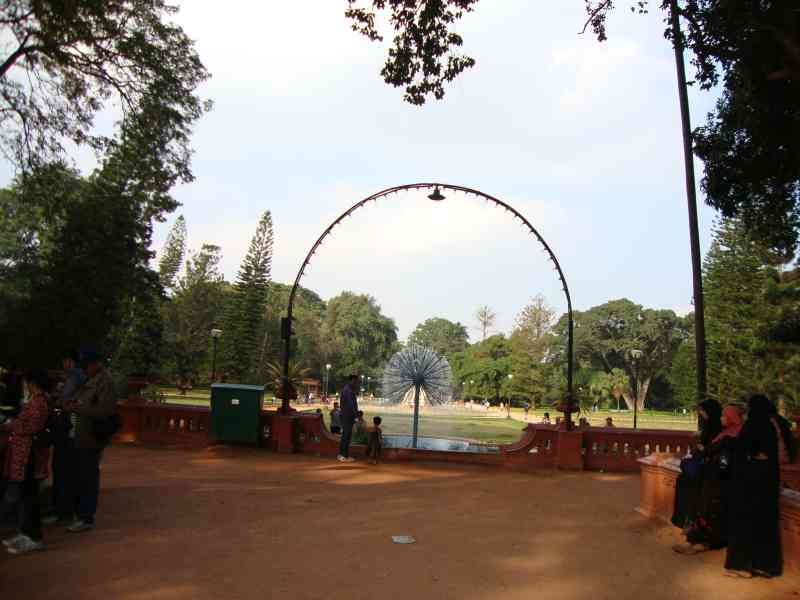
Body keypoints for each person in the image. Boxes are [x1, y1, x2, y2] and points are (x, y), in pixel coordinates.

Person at [725, 395, 796, 578]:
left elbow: (746, 449)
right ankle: (766, 566)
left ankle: (743, 566)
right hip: (769, 481)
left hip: (751, 482)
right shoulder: (772, 424)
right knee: (767, 525)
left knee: (746, 523)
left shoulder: (754, 424)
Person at [674, 404, 743, 555]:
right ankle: (697, 541)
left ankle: (700, 542)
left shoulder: (734, 434)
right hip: (714, 477)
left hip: (719, 479)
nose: (722, 418)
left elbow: (723, 456)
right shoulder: (729, 432)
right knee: (705, 509)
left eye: (725, 416)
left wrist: (706, 453)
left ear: (731, 417)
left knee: (708, 510)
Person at [63, 350, 118, 532]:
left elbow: (105, 410)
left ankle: (86, 517)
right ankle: (76, 513)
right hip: (81, 433)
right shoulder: (90, 379)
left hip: (92, 436)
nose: (85, 369)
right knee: (79, 475)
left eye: (87, 365)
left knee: (88, 477)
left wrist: (79, 408)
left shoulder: (104, 382)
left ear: (96, 363)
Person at [1, 369, 52, 554]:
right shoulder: (36, 400)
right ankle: (26, 532)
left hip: (29, 452)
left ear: (32, 383)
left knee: (29, 496)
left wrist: (9, 425)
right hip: (25, 451)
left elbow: (31, 426)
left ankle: (34, 537)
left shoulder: (39, 401)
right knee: (25, 495)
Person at [45, 350, 86, 526]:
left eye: (66, 361)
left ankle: (63, 511)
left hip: (70, 432)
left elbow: (65, 400)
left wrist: (56, 399)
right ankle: (67, 509)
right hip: (74, 432)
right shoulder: (78, 377)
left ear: (71, 362)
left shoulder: (75, 377)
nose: (64, 365)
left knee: (63, 470)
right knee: (68, 471)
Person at [671, 399, 722, 531]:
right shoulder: (709, 425)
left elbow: (712, 448)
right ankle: (686, 523)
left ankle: (693, 526)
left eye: (702, 411)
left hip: (705, 470)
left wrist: (703, 448)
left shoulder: (717, 427)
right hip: (697, 468)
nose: (701, 413)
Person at [337, 374, 359, 462]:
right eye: (356, 381)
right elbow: (351, 405)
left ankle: (343, 455)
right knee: (346, 435)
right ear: (352, 380)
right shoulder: (348, 391)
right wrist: (356, 415)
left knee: (346, 435)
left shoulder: (348, 389)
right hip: (347, 416)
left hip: (347, 415)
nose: (356, 383)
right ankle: (343, 455)